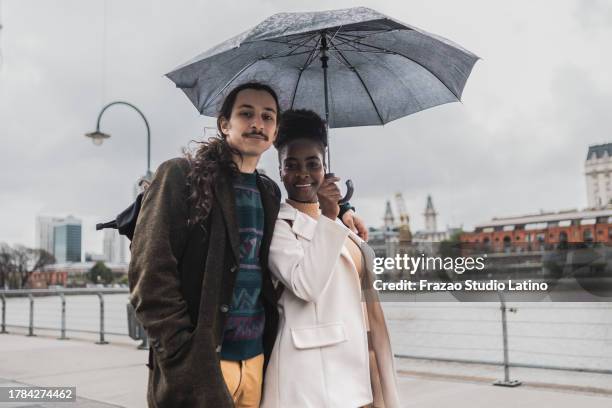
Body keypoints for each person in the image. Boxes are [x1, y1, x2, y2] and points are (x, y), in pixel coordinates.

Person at [128, 83, 366, 407]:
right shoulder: (180, 176)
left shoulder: (268, 193)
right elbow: (150, 278)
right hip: (202, 363)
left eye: (268, 116)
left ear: (275, 129)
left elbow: (304, 207)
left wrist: (344, 211)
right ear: (225, 124)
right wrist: (182, 357)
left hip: (255, 362)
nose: (258, 123)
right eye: (246, 113)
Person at [261, 110, 400, 408]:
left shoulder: (339, 221)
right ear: (280, 169)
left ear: (325, 167)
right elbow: (306, 285)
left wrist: (339, 213)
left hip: (362, 359)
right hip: (313, 379)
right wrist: (329, 215)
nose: (302, 174)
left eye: (313, 163)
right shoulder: (277, 226)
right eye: (292, 165)